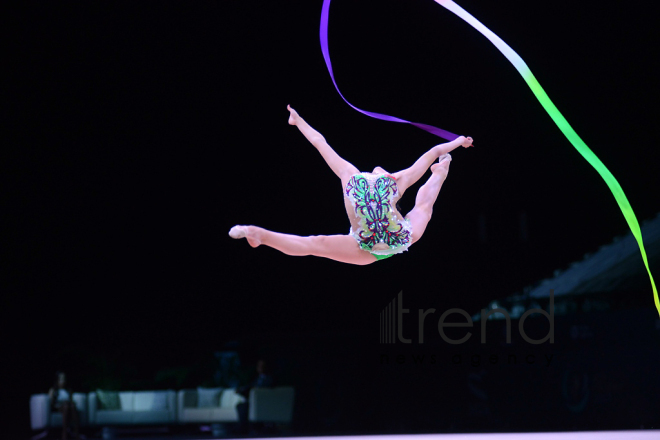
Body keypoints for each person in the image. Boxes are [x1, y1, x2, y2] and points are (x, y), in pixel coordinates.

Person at [229, 105, 473, 264]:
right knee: (422, 209)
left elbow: (319, 141)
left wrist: (299, 121)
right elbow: (433, 150)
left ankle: (258, 234)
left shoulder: (350, 177)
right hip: (393, 240)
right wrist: (458, 142)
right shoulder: (395, 181)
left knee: (314, 244)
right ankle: (441, 173)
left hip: (369, 247)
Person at [235, 359, 275, 433]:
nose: (260, 368)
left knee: (245, 406)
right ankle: (243, 428)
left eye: (263, 366)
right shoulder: (256, 379)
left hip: (264, 402)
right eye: (259, 366)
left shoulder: (271, 379)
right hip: (253, 402)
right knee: (241, 405)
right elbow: (249, 387)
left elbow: (268, 390)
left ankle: (248, 428)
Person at [48, 371, 80, 440]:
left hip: (69, 407)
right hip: (58, 407)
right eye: (61, 379)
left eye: (64, 379)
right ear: (57, 380)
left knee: (71, 406)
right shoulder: (53, 390)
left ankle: (76, 433)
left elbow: (71, 400)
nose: (63, 381)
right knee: (66, 406)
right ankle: (64, 435)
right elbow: (51, 403)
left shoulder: (68, 390)